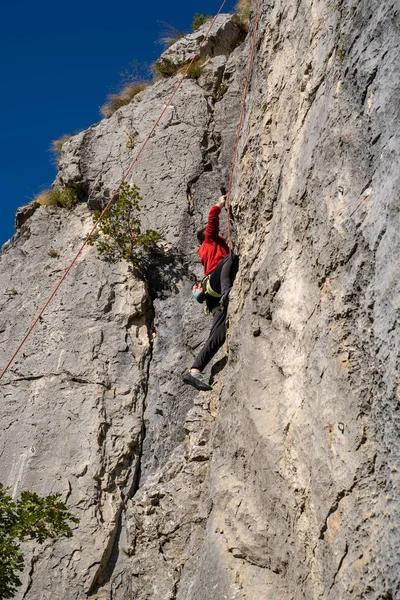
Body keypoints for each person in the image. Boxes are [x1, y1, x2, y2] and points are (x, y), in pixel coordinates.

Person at [183, 195, 239, 391]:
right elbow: (212, 221)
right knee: (230, 258)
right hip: (215, 285)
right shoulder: (210, 241)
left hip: (213, 300)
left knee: (219, 334)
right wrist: (219, 205)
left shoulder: (210, 249)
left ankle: (194, 370)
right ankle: (227, 291)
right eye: (220, 233)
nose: (223, 234)